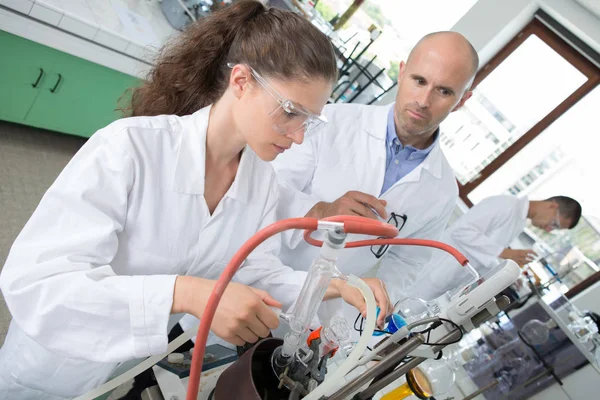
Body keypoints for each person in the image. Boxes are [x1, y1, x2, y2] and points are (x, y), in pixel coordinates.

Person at [0, 3, 390, 399]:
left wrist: (336, 284)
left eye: (309, 120)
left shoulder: (259, 181)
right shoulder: (130, 149)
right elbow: (38, 284)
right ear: (241, 82)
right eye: (290, 112)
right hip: (43, 366)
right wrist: (186, 294)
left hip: (115, 369)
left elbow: (252, 269)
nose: (299, 136)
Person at [272, 31, 479, 302]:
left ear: (462, 101)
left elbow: (407, 262)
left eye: (444, 91)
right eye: (419, 81)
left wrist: (378, 300)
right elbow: (268, 189)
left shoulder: (442, 191)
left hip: (323, 306)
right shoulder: (332, 122)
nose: (424, 101)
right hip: (263, 270)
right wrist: (321, 211)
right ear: (402, 73)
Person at [411, 195, 582, 300]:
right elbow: (462, 232)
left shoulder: (519, 222)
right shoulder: (505, 205)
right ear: (552, 206)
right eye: (554, 223)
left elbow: (482, 255)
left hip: (444, 282)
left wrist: (505, 271)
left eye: (555, 229)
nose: (549, 229)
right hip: (430, 272)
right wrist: (504, 252)